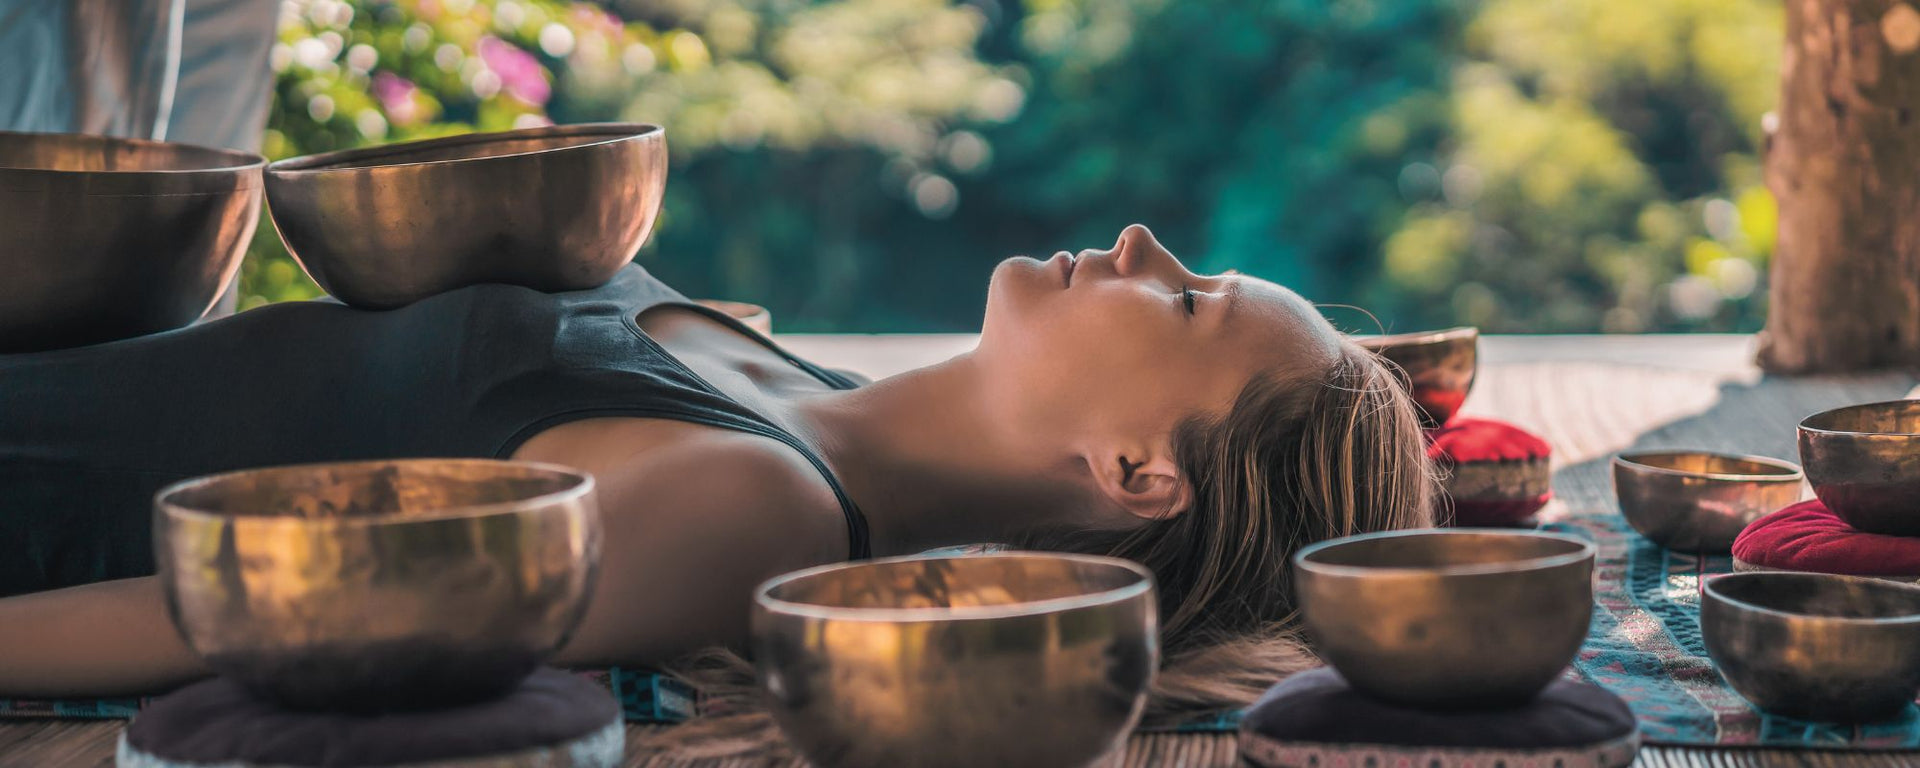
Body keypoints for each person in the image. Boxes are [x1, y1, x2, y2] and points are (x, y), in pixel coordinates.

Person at [0, 224, 1436, 722]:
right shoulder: (790, 387)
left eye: (1184, 301)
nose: (1139, 245)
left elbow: (243, 620)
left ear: (1139, 472)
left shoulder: (753, 510)